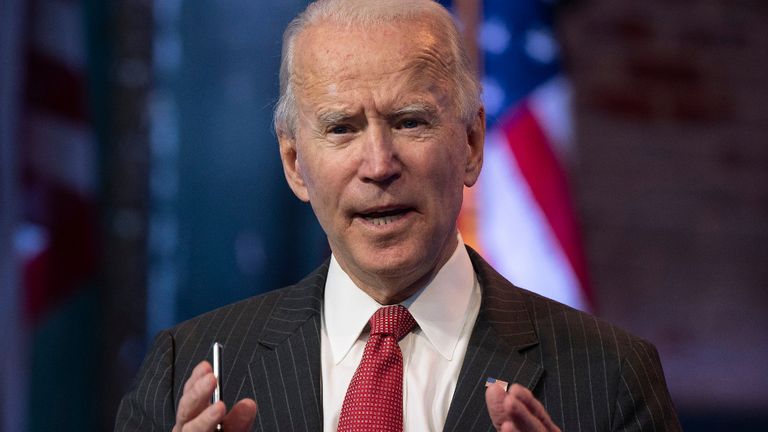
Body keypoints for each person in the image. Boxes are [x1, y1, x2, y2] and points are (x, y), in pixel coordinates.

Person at [115, 1, 681, 431]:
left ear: (472, 143)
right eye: (342, 128)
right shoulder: (182, 371)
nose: (379, 165)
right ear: (293, 163)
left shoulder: (610, 379)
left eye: (411, 121)